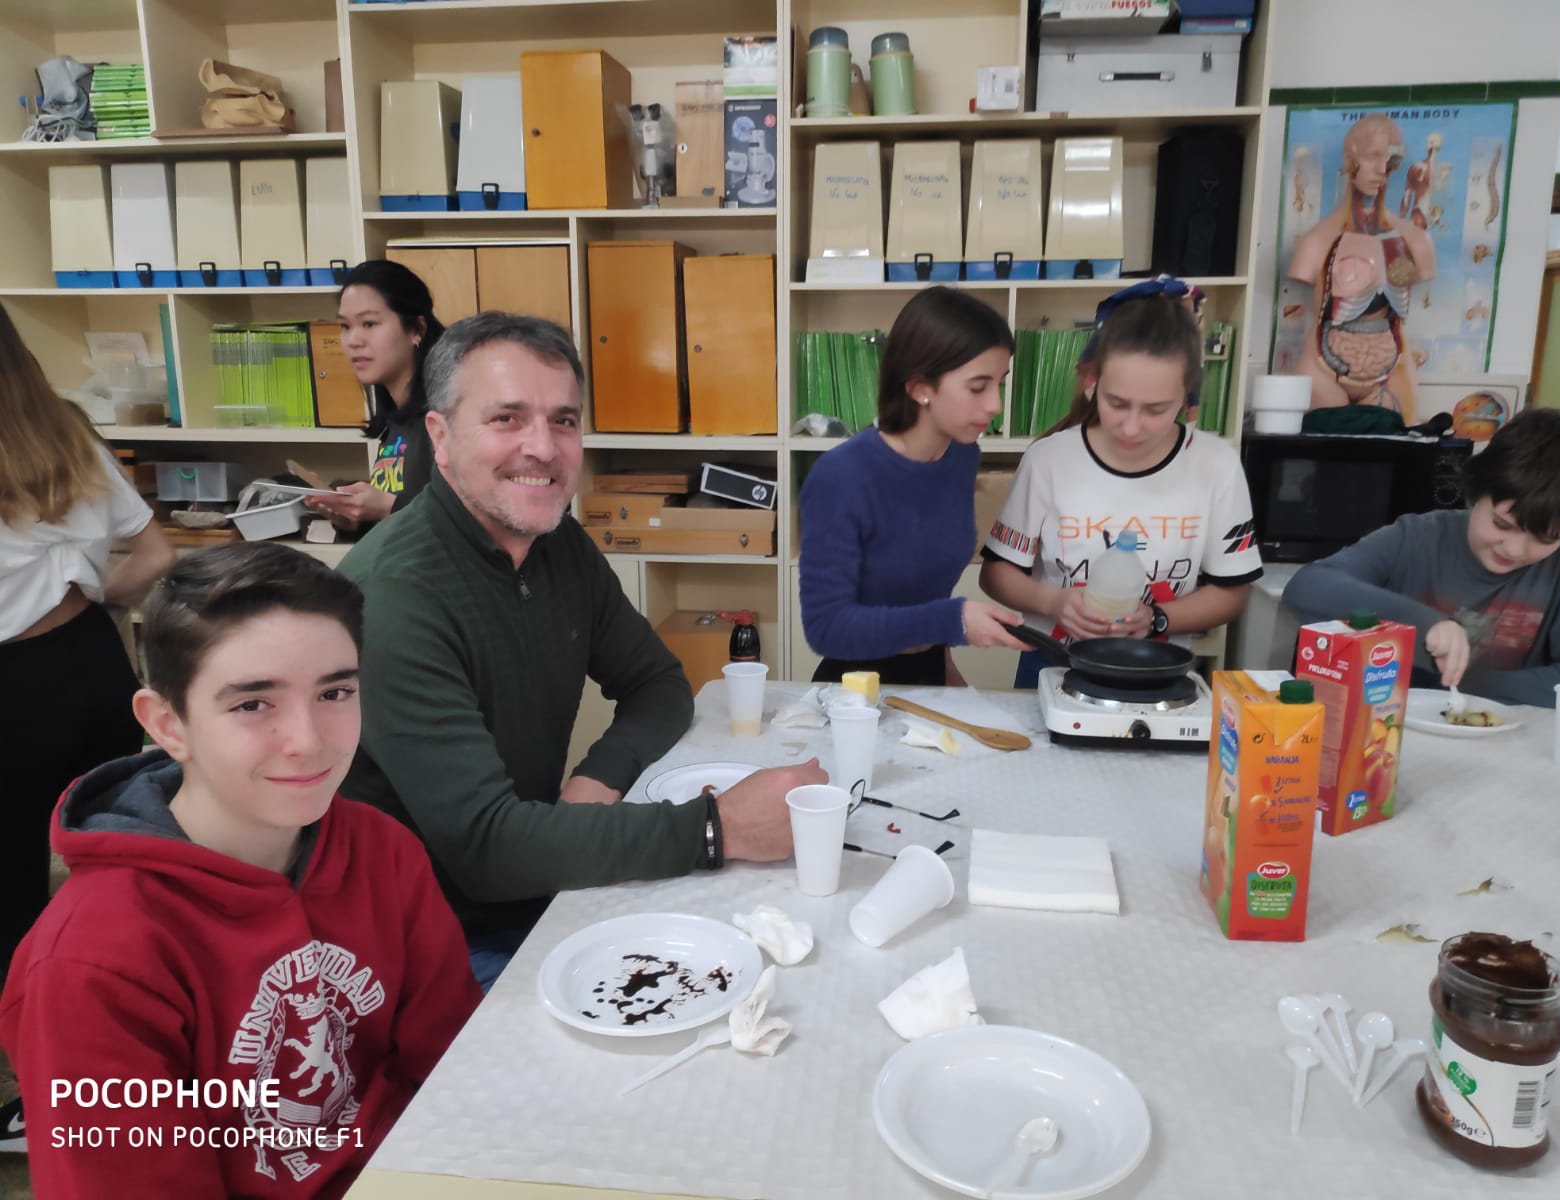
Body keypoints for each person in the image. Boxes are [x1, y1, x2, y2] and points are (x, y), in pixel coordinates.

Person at [337, 311, 823, 989]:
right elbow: (487, 849)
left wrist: (596, 779)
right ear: (440, 438)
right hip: (430, 943)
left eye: (563, 420)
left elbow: (658, 683)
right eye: (507, 418)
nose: (543, 447)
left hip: (538, 882)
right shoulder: (393, 597)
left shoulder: (557, 545)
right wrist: (718, 829)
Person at [0, 543, 481, 1195]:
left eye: (335, 691)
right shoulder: (90, 965)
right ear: (169, 725)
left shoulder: (382, 849)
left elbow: (452, 1068)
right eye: (253, 703)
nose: (308, 740)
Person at [0, 301, 175, 1151]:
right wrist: (88, 593)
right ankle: (136, 1048)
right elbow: (157, 553)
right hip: (93, 664)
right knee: (111, 863)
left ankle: (35, 1085)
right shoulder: (63, 427)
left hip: (11, 687)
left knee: (8, 890)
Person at [979, 279, 1264, 688]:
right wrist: (1053, 602)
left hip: (1155, 668)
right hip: (1051, 666)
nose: (1131, 427)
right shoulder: (1049, 460)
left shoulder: (1215, 465)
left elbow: (1232, 591)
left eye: (1156, 410)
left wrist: (1158, 618)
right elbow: (996, 573)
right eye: (1116, 403)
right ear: (1094, 380)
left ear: (1187, 395)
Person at [1282, 407, 1560, 706]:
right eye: (1501, 525)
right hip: (1390, 726)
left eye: (1546, 539)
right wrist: (1425, 623)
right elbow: (1308, 586)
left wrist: (1463, 682)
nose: (1514, 549)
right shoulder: (1420, 536)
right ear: (1476, 492)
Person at [798, 286, 1026, 686]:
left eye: (1000, 384)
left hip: (928, 677)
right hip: (854, 691)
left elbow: (928, 587)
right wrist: (953, 620)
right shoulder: (841, 477)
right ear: (920, 388)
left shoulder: (961, 456)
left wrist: (948, 671)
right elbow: (826, 628)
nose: (995, 405)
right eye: (978, 387)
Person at [1287, 112, 1437, 422]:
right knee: (1321, 446)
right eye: (1372, 157)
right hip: (1322, 364)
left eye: (1391, 160)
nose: (1382, 169)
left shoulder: (1415, 242)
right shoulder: (1316, 242)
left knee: (1390, 448)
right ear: (1349, 158)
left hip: (1390, 365)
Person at [304, 260, 447, 529]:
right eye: (345, 326)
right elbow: (395, 529)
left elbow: (471, 522)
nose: (353, 340)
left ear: (417, 329)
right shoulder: (395, 420)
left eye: (369, 324)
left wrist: (387, 506)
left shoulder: (445, 416)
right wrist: (351, 518)